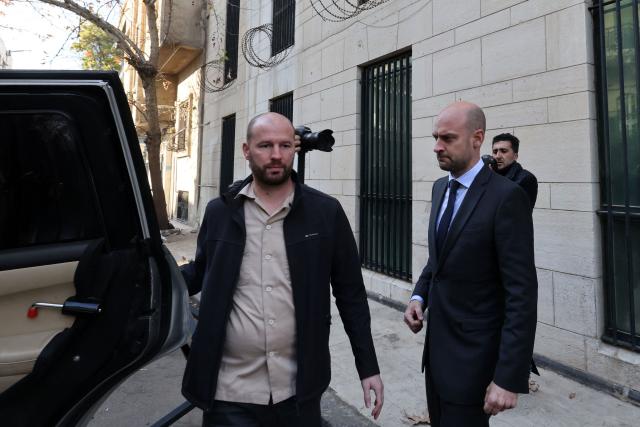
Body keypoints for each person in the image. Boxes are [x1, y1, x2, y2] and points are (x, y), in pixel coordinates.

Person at [180, 112, 384, 427]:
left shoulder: (325, 213)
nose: (276, 155)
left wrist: (367, 366)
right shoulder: (220, 212)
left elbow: (351, 295)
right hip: (229, 392)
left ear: (295, 149)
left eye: (285, 145)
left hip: (298, 393)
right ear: (247, 151)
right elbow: (200, 272)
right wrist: (151, 280)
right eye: (265, 146)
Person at [403, 102, 538, 427]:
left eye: (447, 138)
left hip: (474, 362)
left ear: (477, 138)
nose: (437, 146)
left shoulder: (507, 197)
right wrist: (419, 297)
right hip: (435, 358)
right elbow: (440, 258)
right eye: (436, 137)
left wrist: (508, 376)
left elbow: (522, 293)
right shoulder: (439, 188)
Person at [491, 133, 538, 210]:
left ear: (515, 156)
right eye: (495, 151)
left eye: (503, 151)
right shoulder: (490, 175)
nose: (498, 156)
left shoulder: (526, 178)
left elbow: (514, 212)